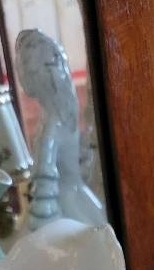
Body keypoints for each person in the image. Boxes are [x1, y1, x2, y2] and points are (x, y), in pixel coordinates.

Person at [15, 29, 105, 230]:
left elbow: (46, 180)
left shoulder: (54, 125)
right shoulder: (57, 120)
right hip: (73, 199)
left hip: (69, 202)